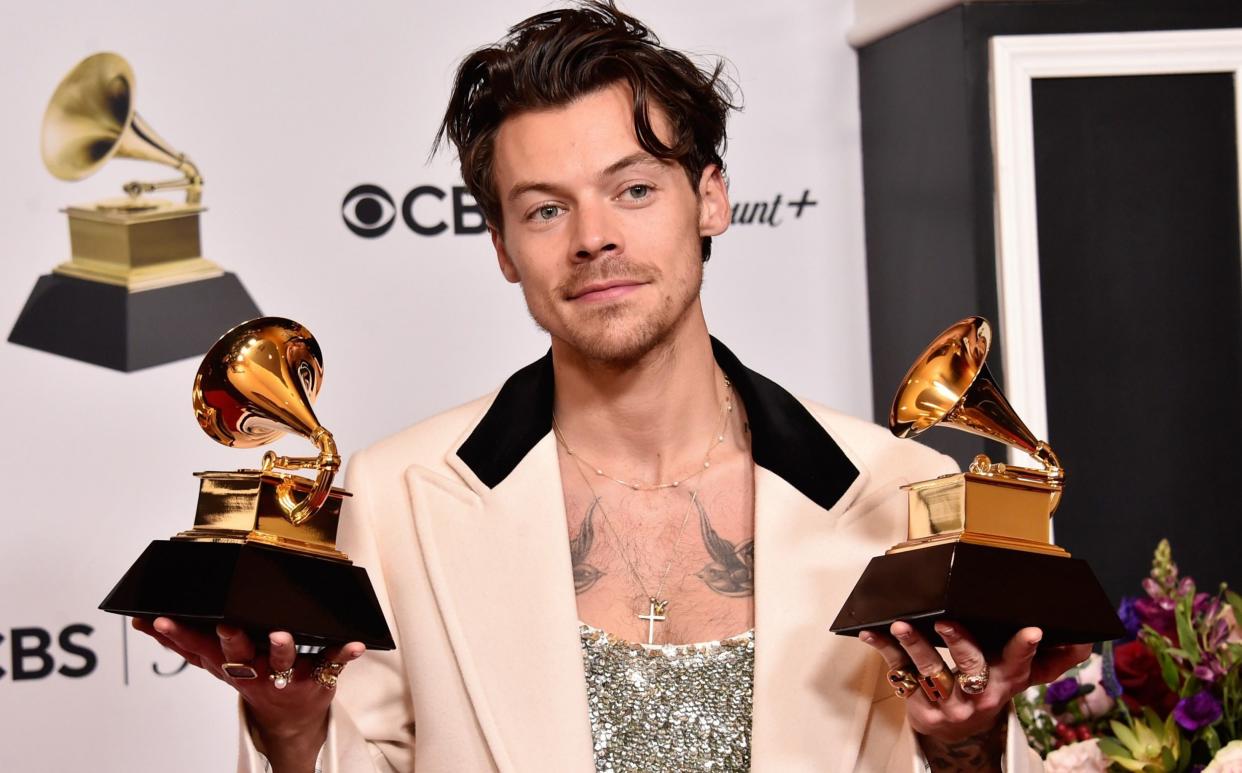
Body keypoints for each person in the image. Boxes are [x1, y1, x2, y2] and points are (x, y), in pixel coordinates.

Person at [134, 3, 1091, 771]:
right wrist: (293, 735)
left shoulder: (893, 488)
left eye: (633, 189)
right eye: (546, 208)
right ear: (505, 249)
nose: (594, 236)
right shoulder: (396, 498)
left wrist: (965, 743)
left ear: (709, 196)